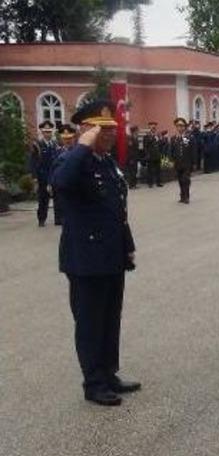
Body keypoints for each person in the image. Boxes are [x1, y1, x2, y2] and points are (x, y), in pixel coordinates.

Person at [51, 99, 140, 407]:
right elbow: (61, 185)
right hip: (86, 258)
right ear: (87, 130)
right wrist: (83, 146)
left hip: (111, 255)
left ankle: (108, 373)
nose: (112, 134)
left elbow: (116, 210)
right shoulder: (71, 160)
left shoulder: (106, 162)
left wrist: (127, 246)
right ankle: (93, 383)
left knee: (109, 318)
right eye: (104, 129)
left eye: (113, 128)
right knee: (90, 322)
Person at [29, 121, 59, 227]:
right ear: (42, 132)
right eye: (46, 132)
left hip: (55, 175)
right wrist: (34, 177)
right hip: (43, 176)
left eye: (50, 132)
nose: (48, 134)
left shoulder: (55, 145)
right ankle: (41, 219)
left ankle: (58, 219)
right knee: (43, 199)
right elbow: (33, 162)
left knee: (58, 198)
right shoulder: (37, 145)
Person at [169, 117, 195, 204]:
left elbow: (192, 150)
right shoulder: (174, 138)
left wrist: (194, 163)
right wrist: (171, 161)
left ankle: (186, 196)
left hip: (187, 163)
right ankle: (182, 196)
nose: (180, 128)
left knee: (186, 180)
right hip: (178, 163)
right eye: (178, 126)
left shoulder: (188, 137)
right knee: (180, 180)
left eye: (182, 126)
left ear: (185, 127)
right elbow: (171, 151)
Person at [143, 122, 163, 188]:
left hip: (157, 155)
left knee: (158, 170)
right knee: (150, 170)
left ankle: (158, 182)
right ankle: (150, 183)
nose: (154, 128)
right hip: (150, 156)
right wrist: (147, 155)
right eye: (152, 127)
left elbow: (161, 144)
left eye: (155, 127)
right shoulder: (147, 136)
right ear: (150, 128)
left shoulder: (158, 135)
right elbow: (145, 146)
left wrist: (160, 139)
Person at [125, 125, 142, 189]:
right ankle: (131, 185)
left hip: (135, 157)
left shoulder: (135, 137)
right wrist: (131, 159)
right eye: (137, 130)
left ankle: (134, 184)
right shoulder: (130, 138)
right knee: (132, 172)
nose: (138, 131)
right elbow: (130, 150)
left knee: (135, 171)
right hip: (131, 158)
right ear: (134, 131)